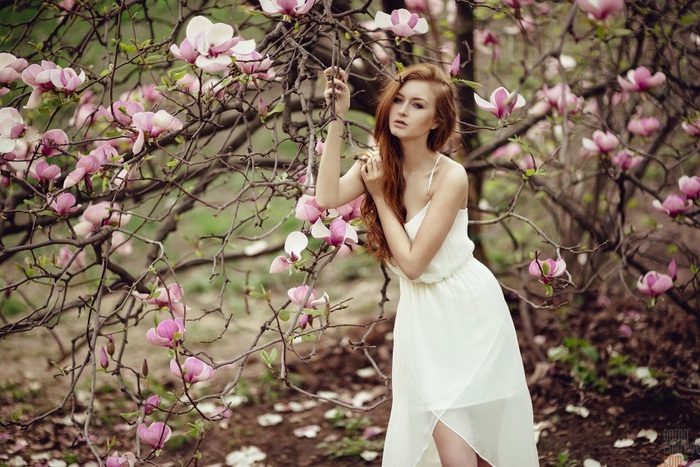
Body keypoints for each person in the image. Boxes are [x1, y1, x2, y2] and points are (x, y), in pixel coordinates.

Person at [315, 63, 540, 467]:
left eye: (417, 105)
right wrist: (337, 119)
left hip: (469, 310)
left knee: (489, 449)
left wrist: (382, 198)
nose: (401, 110)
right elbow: (327, 196)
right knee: (452, 448)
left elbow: (415, 263)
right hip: (423, 318)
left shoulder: (449, 176)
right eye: (398, 100)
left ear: (436, 120)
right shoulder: (379, 162)